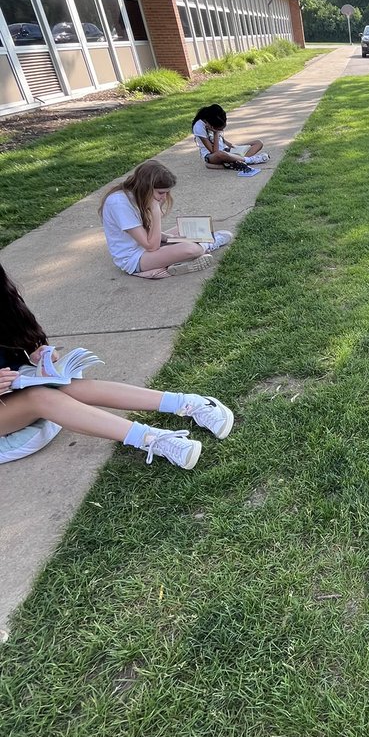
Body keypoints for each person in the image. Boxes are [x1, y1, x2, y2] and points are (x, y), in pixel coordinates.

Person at [0, 263, 232, 468]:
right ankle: (152, 439)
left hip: (13, 388)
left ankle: (190, 403)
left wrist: (38, 353)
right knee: (40, 397)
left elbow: (21, 346)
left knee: (63, 385)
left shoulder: (5, 301)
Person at [100, 160, 233, 280]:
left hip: (145, 245)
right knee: (192, 249)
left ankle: (175, 262)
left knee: (192, 228)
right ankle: (207, 245)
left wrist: (167, 237)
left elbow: (145, 231)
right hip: (135, 258)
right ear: (145, 187)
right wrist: (155, 211)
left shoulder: (137, 195)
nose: (164, 197)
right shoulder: (119, 203)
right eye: (161, 193)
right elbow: (152, 246)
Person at [192, 104, 268, 173]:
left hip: (226, 151)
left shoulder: (215, 120)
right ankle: (250, 160)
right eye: (219, 129)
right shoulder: (199, 127)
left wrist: (232, 146)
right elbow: (214, 152)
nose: (221, 131)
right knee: (220, 154)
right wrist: (216, 133)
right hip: (212, 156)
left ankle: (234, 162)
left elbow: (221, 140)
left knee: (258, 143)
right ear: (211, 124)